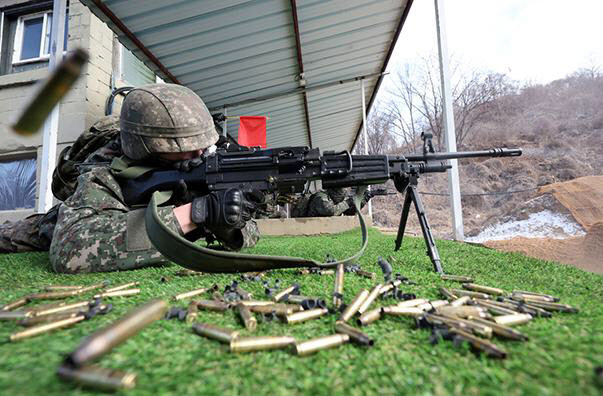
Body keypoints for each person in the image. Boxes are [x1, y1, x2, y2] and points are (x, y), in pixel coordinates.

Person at [0, 84, 260, 273]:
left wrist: (226, 221)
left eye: (203, 145)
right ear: (152, 147)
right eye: (189, 146)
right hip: (76, 217)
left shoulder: (198, 163)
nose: (200, 153)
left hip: (138, 214)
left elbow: (249, 234)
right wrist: (194, 214)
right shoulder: (102, 169)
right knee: (13, 235)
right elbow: (71, 251)